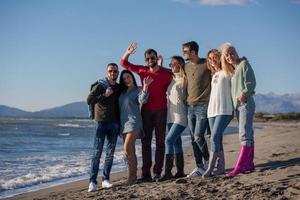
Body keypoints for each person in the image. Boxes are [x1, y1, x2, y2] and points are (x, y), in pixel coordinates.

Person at [120, 42, 172, 182]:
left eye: (153, 58)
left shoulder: (166, 73)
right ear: (145, 61)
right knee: (146, 143)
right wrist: (128, 52)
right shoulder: (142, 71)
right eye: (148, 59)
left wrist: (162, 66)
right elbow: (124, 63)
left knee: (160, 142)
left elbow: (178, 74)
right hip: (146, 112)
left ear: (156, 58)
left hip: (161, 110)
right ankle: (145, 174)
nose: (150, 60)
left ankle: (157, 172)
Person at [221, 43, 256, 177]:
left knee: (243, 134)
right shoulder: (234, 70)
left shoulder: (244, 64)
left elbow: (251, 83)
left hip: (245, 103)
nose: (230, 56)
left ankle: (240, 166)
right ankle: (249, 164)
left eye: (231, 53)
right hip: (239, 105)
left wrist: (244, 94)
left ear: (236, 52)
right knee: (249, 134)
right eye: (227, 55)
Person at [87, 63, 121, 192]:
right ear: (107, 72)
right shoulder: (100, 85)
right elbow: (89, 100)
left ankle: (105, 180)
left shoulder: (118, 87)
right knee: (97, 153)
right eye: (110, 71)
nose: (113, 73)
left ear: (118, 72)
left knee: (110, 154)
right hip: (101, 123)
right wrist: (104, 95)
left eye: (115, 71)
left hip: (114, 124)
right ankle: (92, 182)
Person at [202, 49, 234, 177]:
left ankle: (210, 168)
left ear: (220, 58)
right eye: (210, 58)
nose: (212, 60)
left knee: (214, 137)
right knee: (217, 139)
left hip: (225, 110)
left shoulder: (228, 71)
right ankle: (221, 168)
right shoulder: (213, 74)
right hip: (212, 111)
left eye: (215, 57)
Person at [118, 70, 153, 185]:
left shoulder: (138, 90)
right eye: (124, 79)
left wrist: (145, 86)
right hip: (123, 125)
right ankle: (132, 177)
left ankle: (131, 177)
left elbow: (143, 100)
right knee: (130, 151)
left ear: (132, 77)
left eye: (128, 77)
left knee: (127, 148)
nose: (126, 80)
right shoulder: (122, 93)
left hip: (134, 123)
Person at [182, 41, 211, 177]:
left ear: (193, 52)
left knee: (199, 136)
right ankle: (199, 167)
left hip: (203, 105)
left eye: (186, 51)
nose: (184, 53)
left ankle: (209, 162)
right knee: (193, 138)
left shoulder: (207, 64)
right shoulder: (186, 67)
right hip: (190, 106)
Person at [159, 56, 187, 181]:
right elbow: (163, 72)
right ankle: (180, 171)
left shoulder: (184, 79)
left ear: (180, 64)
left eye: (174, 64)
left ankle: (168, 171)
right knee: (176, 143)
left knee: (169, 141)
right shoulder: (171, 79)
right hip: (170, 116)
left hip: (181, 116)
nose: (172, 66)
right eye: (170, 64)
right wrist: (160, 65)